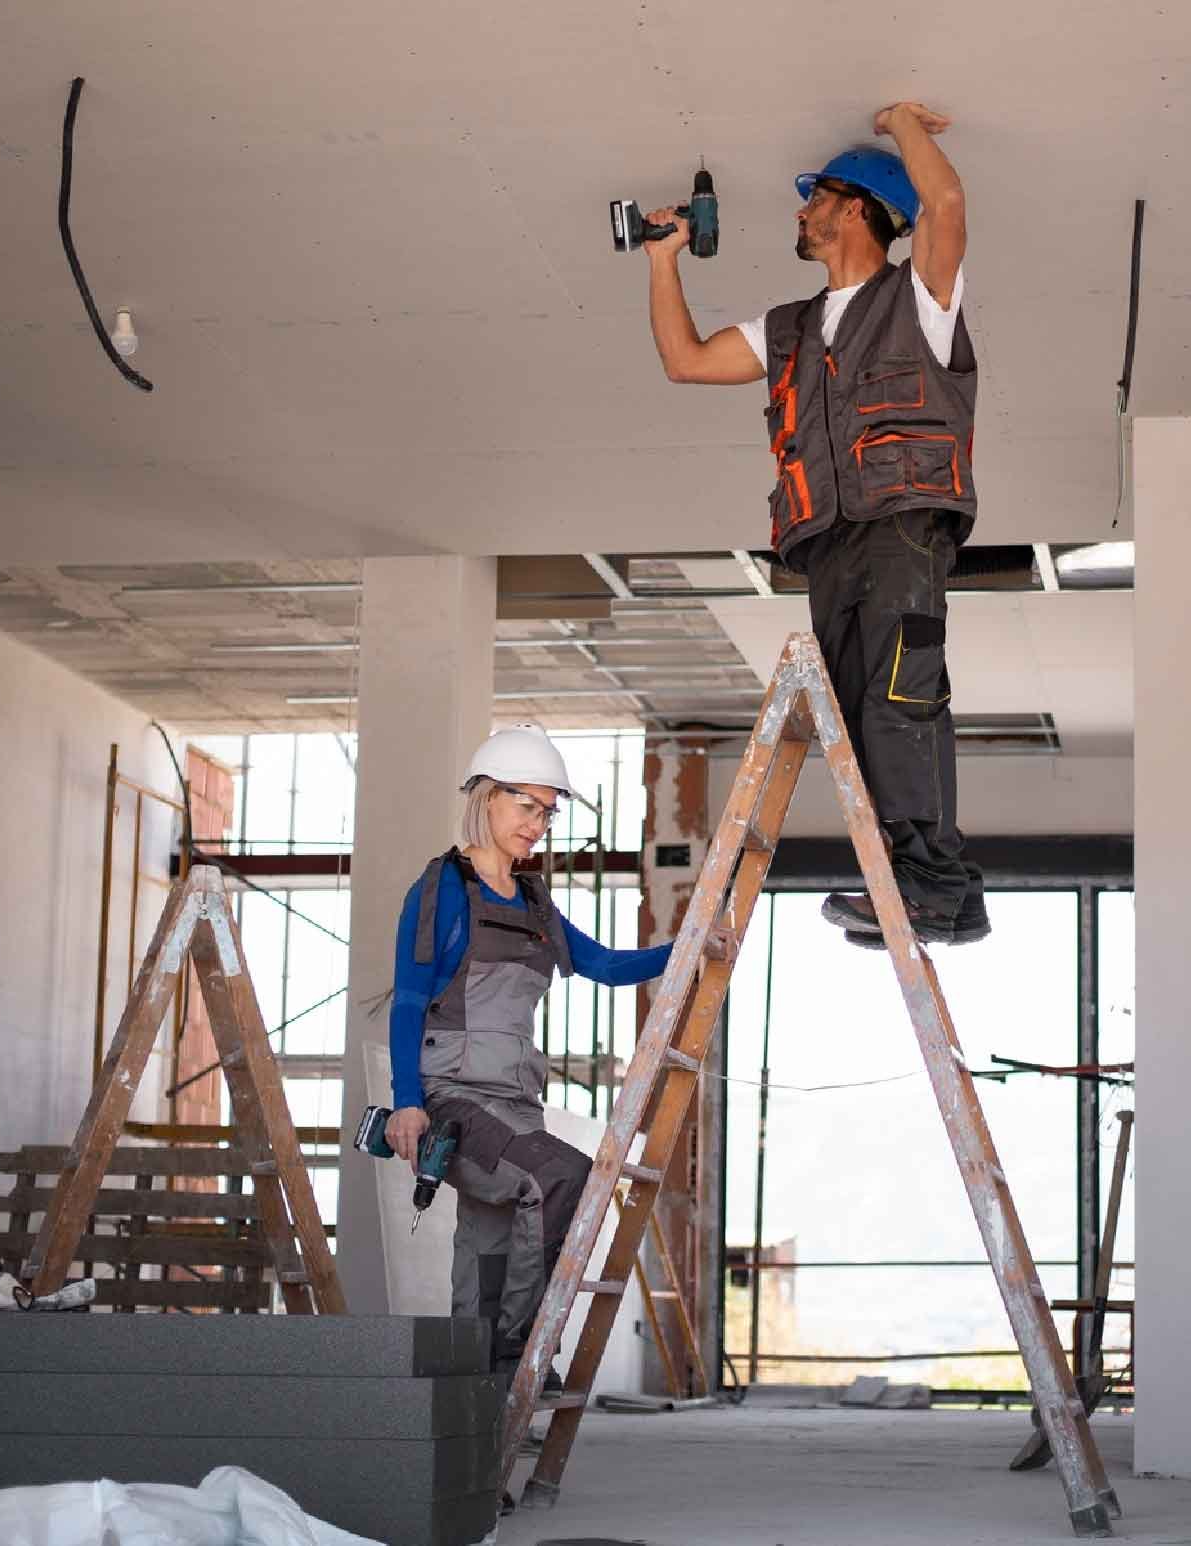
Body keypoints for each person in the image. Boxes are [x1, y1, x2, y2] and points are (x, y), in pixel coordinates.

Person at [642, 101, 988, 948]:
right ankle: (924, 887)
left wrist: (903, 124)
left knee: (900, 698)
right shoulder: (788, 329)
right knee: (857, 719)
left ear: (858, 209)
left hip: (903, 524)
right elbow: (686, 361)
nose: (802, 212)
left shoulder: (920, 297)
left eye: (817, 198)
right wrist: (662, 261)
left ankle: (932, 884)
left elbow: (945, 205)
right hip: (827, 540)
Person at [379, 725, 673, 1381]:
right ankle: (524, 1352)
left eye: (548, 812)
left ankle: (478, 1409)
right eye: (527, 806)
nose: (538, 824)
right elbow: (408, 999)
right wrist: (407, 1102)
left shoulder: (535, 902)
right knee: (563, 1177)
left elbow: (605, 965)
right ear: (487, 797)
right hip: (454, 1099)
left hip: (516, 1107)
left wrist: (688, 949)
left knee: (485, 1257)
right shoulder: (441, 890)